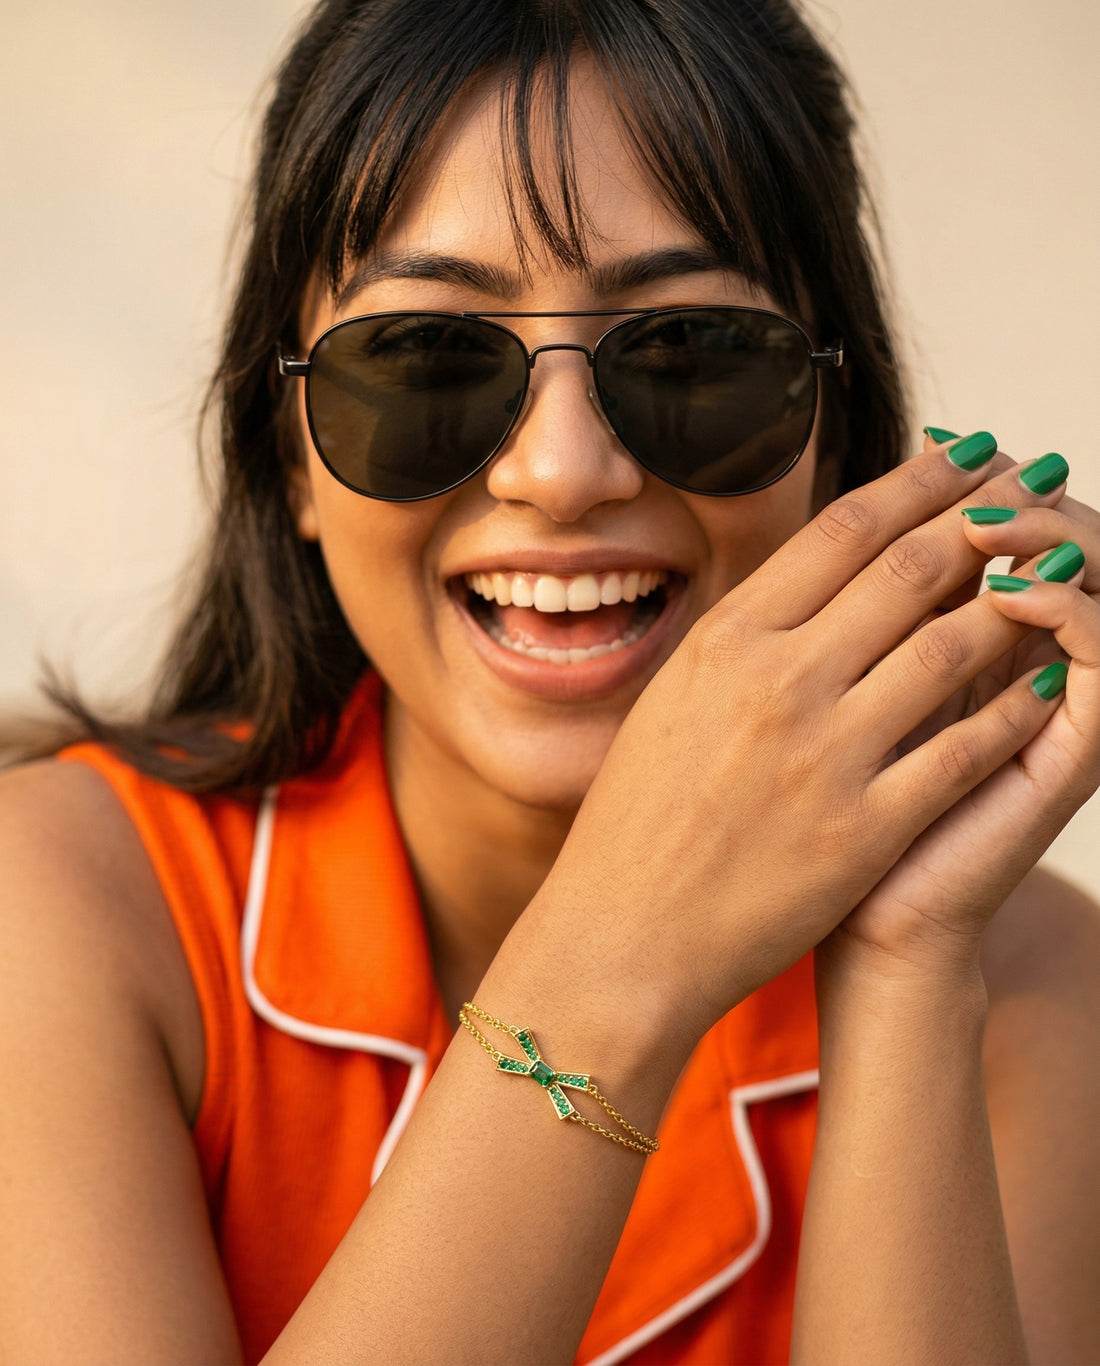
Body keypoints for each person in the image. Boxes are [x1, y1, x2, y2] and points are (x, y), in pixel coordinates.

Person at [1, 0, 1098, 1362]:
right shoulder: (64, 905)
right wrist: (616, 950)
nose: (563, 471)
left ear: (836, 437)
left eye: (693, 353)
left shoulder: (1033, 976)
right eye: (425, 359)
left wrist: (901, 955)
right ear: (287, 454)